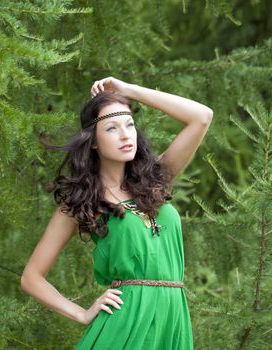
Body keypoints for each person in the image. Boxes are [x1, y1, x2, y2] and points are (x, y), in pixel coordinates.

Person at [20, 76, 213, 349]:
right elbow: (31, 278)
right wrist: (81, 313)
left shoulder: (156, 181)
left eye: (130, 124)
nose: (125, 135)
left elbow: (202, 117)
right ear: (94, 142)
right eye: (112, 128)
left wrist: (128, 90)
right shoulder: (82, 202)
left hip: (173, 320)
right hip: (124, 323)